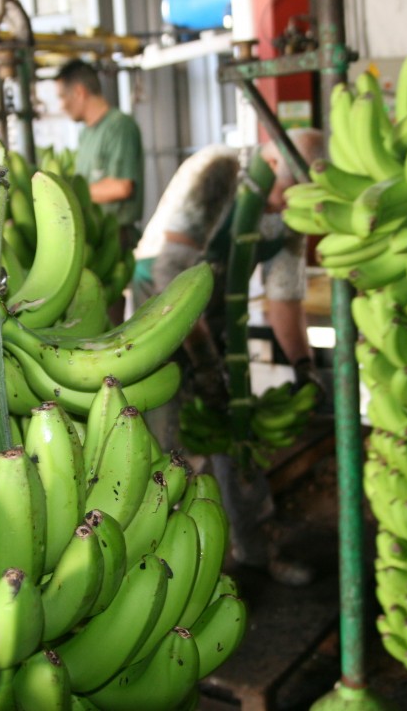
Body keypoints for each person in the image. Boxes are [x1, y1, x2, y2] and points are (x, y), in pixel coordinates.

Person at [134, 128, 326, 586]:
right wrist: (201, 360)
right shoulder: (218, 171)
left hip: (219, 311)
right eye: (288, 190)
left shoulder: (287, 214)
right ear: (273, 162)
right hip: (158, 311)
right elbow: (170, 272)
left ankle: (255, 546)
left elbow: (284, 300)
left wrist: (303, 365)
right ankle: (164, 572)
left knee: (237, 426)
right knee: (167, 440)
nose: (287, 204)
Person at [56, 59, 144, 321]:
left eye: (62, 97)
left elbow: (122, 186)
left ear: (80, 92)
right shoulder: (86, 135)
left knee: (106, 317)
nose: (60, 106)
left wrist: (69, 195)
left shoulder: (119, 126)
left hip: (113, 236)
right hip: (89, 236)